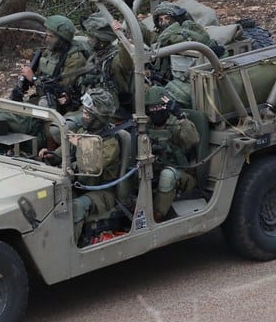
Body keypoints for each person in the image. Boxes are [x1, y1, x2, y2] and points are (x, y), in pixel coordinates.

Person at [39, 88, 124, 245]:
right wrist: (50, 155)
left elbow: (91, 166)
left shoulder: (110, 144)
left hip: (102, 193)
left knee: (77, 207)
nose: (83, 116)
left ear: (98, 118)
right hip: (79, 186)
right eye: (84, 112)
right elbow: (64, 153)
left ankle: (69, 249)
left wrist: (80, 143)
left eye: (87, 114)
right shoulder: (83, 132)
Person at [143, 85, 200, 222]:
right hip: (152, 172)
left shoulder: (175, 125)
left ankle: (156, 217)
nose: (155, 110)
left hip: (181, 176)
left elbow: (194, 139)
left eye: (159, 107)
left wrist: (180, 115)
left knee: (167, 176)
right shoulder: (146, 126)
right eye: (152, 108)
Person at [13, 14, 91, 113]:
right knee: (9, 113)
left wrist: (33, 78)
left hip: (62, 105)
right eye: (46, 34)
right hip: (43, 96)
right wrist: (25, 81)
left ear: (61, 40)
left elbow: (60, 89)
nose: (46, 39)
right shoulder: (50, 51)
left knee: (23, 118)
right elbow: (42, 75)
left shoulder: (75, 59)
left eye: (50, 36)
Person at [77, 12, 137, 115]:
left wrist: (123, 38)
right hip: (91, 105)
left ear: (101, 41)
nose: (88, 40)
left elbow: (126, 62)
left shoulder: (115, 60)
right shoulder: (96, 55)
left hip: (110, 112)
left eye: (91, 37)